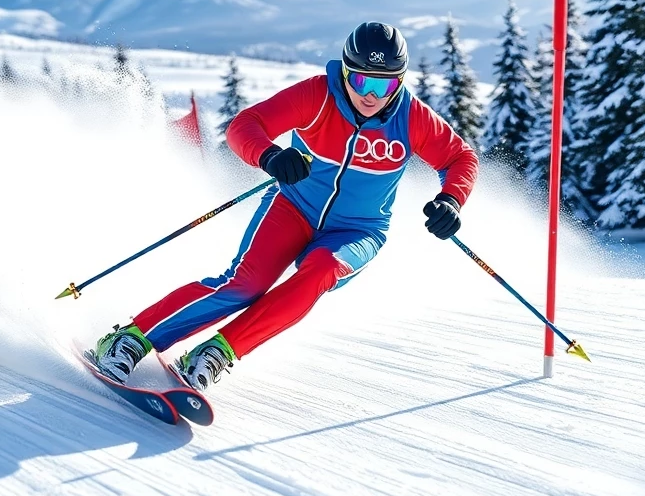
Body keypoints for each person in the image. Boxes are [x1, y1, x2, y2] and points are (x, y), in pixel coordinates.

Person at [89, 21, 479, 391]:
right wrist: (271, 156)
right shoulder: (317, 95)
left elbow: (460, 158)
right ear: (344, 72)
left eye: (385, 84)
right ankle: (130, 340)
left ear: (400, 81)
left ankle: (214, 354)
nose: (371, 96)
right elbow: (245, 125)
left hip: (359, 229)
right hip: (292, 207)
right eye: (361, 80)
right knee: (245, 285)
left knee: (320, 272)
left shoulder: (412, 118)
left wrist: (451, 200)